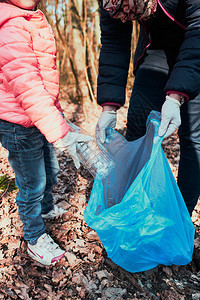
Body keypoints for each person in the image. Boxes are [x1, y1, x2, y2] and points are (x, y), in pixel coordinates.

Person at [0, 0, 93, 266]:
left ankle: (46, 208)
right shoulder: (10, 25)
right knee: (32, 184)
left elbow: (45, 83)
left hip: (39, 116)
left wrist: (58, 117)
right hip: (18, 123)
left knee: (51, 170)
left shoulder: (31, 19)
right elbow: (27, 85)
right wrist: (58, 132)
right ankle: (34, 237)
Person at [96, 0, 200, 216]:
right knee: (138, 123)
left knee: (193, 139)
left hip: (195, 44)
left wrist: (175, 98)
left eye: (124, 9)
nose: (123, 18)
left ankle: (179, 220)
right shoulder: (112, 4)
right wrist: (109, 107)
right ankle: (135, 212)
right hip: (157, 46)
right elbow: (114, 41)